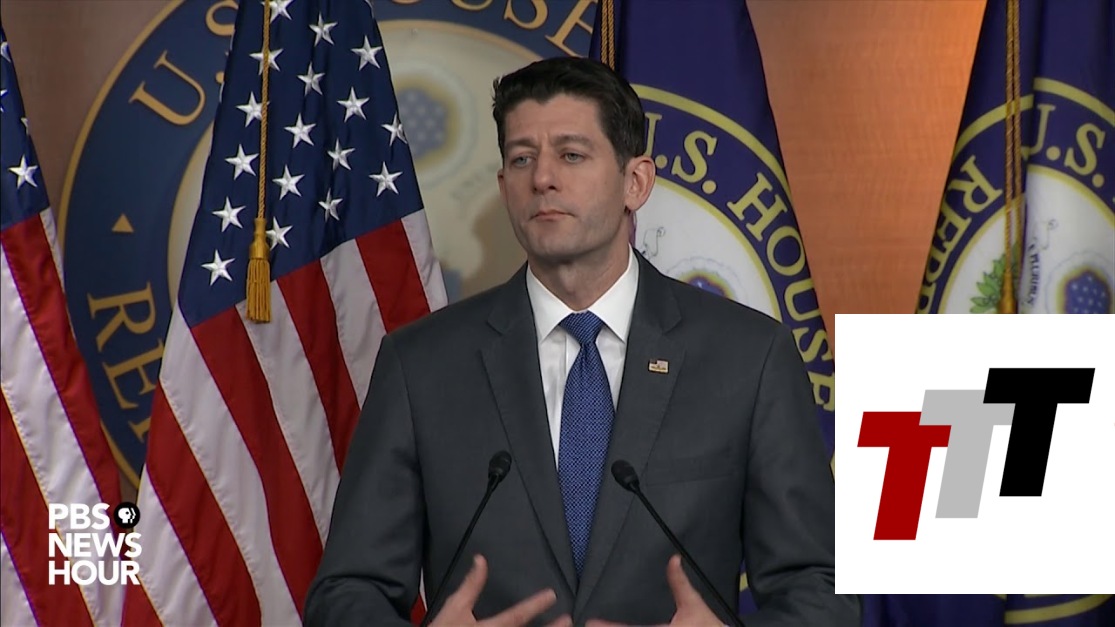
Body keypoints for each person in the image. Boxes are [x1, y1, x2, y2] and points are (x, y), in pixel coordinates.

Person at [304, 56, 857, 627]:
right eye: (522, 158)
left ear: (635, 182)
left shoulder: (749, 357)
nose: (542, 178)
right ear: (504, 187)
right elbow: (346, 593)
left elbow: (820, 590)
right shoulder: (421, 365)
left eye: (571, 155)